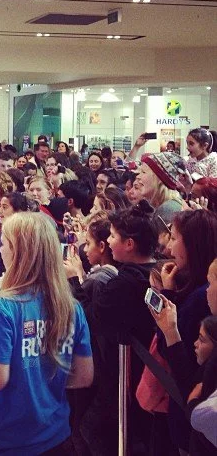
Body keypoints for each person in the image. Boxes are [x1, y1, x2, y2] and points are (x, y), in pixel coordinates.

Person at [0, 212, 94, 455]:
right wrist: (43, 384)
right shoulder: (71, 307)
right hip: (56, 433)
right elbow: (84, 376)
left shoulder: (1, 308)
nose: (0, 251)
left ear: (19, 252)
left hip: (9, 439)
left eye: (4, 243)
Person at [90, 201, 158, 452]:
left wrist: (77, 280)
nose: (107, 241)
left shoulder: (126, 283)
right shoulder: (156, 272)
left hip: (126, 372)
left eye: (113, 236)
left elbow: (96, 314)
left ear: (129, 244)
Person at [156, 210, 217, 453]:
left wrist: (168, 297)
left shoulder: (200, 299)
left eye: (174, 238)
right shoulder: (196, 288)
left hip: (195, 428)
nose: (169, 247)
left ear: (192, 244)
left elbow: (185, 367)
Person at [137, 152, 187, 223]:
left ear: (159, 179)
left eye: (143, 172)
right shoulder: (169, 205)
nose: (138, 176)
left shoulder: (168, 210)